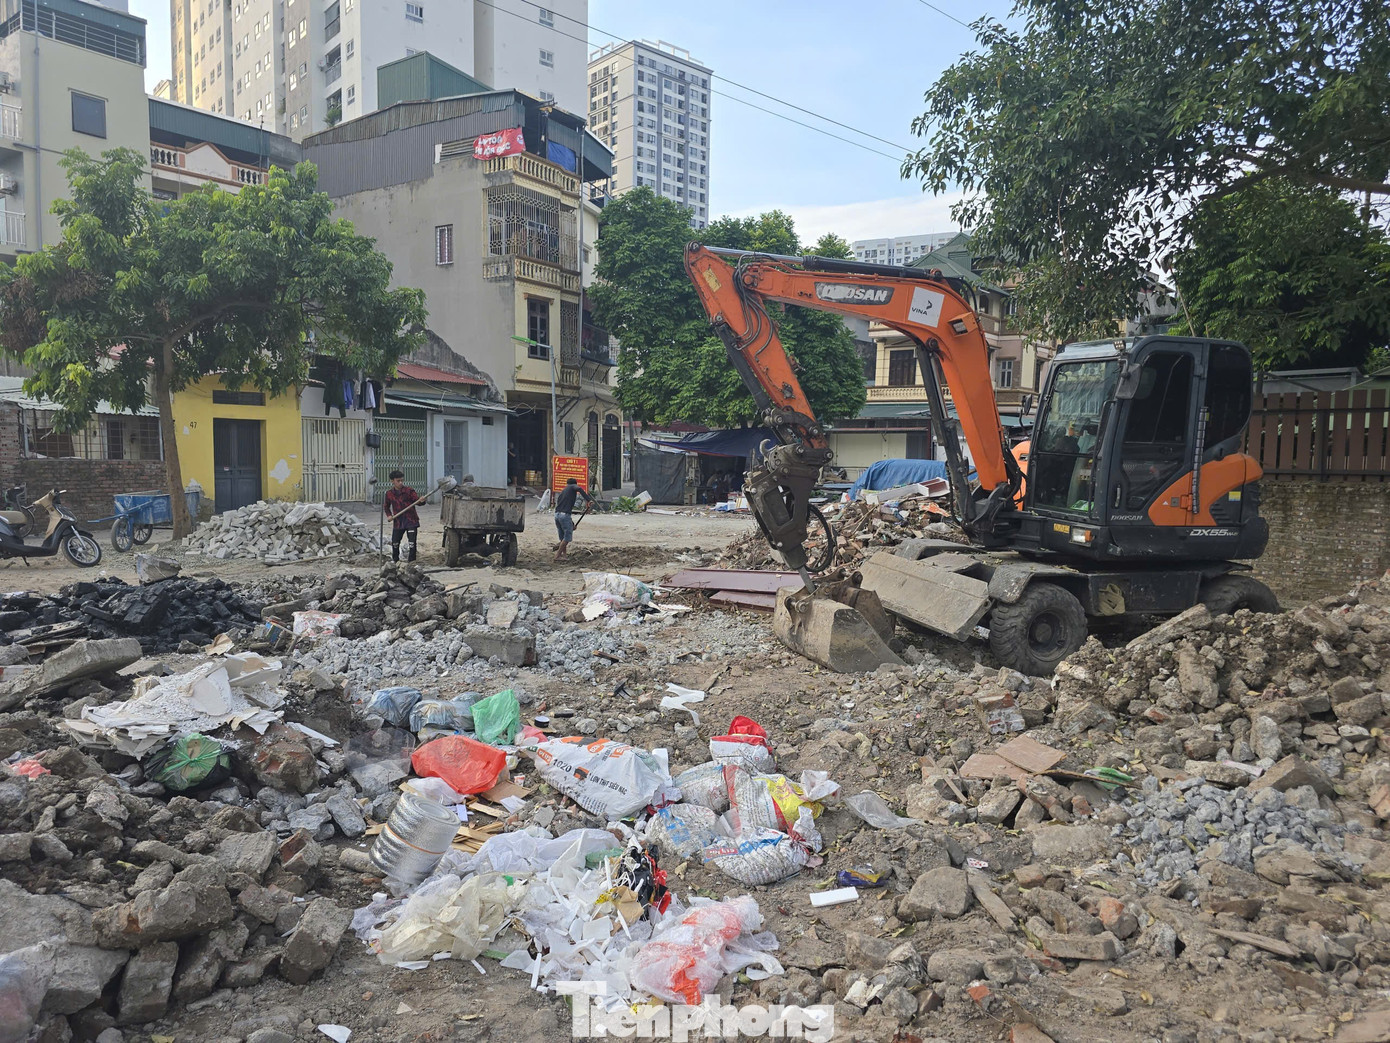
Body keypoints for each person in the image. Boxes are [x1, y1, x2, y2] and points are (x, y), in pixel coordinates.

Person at [552, 477, 594, 563]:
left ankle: (564, 556)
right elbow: (578, 488)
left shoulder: (563, 491)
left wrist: (572, 524)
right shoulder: (572, 487)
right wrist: (588, 500)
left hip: (557, 515)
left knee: (562, 537)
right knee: (567, 538)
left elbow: (564, 510)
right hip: (564, 516)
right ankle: (557, 556)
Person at [383, 470, 421, 562]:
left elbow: (418, 502)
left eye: (401, 480)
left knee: (412, 544)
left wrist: (422, 500)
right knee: (395, 543)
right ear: (392, 481)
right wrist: (389, 515)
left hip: (411, 521)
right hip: (398, 522)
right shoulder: (389, 494)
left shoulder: (409, 491)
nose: (400, 483)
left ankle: (412, 562)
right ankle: (395, 561)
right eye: (398, 481)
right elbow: (386, 507)